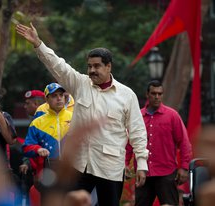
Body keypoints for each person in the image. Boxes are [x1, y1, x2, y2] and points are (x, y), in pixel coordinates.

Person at [16, 23, 148, 206]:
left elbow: (137, 132)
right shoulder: (81, 85)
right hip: (78, 165)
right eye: (89, 66)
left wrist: (142, 164)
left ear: (109, 66)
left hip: (109, 167)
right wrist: (38, 43)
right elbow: (58, 66)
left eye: (97, 66)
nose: (92, 70)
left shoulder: (127, 95)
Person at [126, 80, 192, 206]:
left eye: (160, 94)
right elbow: (129, 143)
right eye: (154, 93)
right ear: (147, 94)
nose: (157, 97)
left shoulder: (172, 116)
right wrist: (125, 164)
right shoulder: (137, 116)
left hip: (166, 173)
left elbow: (184, 142)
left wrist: (184, 168)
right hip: (143, 172)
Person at [22, 82, 73, 204]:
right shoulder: (37, 122)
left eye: (61, 95)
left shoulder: (74, 117)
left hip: (70, 170)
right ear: (47, 99)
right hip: (47, 171)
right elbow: (26, 147)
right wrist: (38, 149)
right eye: (54, 96)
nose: (59, 98)